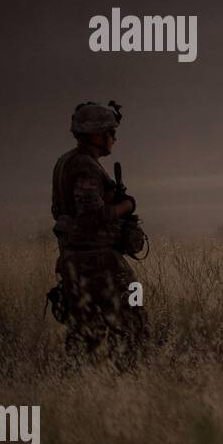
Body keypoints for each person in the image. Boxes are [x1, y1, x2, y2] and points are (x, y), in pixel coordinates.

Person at [49, 100, 148, 365]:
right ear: (95, 134)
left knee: (85, 335)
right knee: (131, 327)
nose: (114, 138)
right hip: (99, 263)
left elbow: (59, 211)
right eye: (110, 132)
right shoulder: (85, 166)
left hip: (73, 261)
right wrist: (127, 205)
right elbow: (91, 216)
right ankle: (129, 384)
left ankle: (82, 388)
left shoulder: (64, 162)